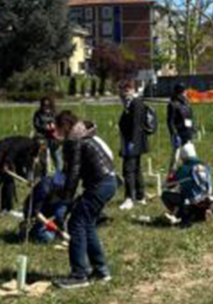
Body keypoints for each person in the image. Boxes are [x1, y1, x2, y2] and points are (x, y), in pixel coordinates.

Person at [53, 110, 118, 289]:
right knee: (87, 224)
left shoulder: (75, 141)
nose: (55, 131)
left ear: (65, 126)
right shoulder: (84, 135)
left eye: (57, 127)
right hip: (109, 182)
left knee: (76, 223)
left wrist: (66, 201)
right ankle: (101, 270)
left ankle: (79, 274)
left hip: (100, 185)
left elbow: (73, 173)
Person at [161, 143, 213, 226]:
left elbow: (169, 185)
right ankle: (204, 211)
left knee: (165, 195)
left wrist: (172, 172)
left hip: (191, 200)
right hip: (208, 196)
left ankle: (179, 214)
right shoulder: (205, 165)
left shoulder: (184, 169)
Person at [0, 135, 43, 217]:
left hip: (2, 155)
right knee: (8, 181)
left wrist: (25, 179)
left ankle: (6, 208)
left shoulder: (28, 149)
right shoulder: (27, 142)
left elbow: (19, 165)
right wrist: (6, 162)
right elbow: (13, 149)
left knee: (8, 181)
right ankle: (7, 209)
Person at [118, 79, 150, 210]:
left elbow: (136, 126)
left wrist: (132, 143)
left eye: (126, 90)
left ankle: (129, 198)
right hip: (132, 142)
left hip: (133, 143)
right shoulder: (129, 104)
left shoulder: (136, 104)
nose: (124, 94)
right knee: (136, 169)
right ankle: (140, 196)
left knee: (128, 170)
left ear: (132, 90)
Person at [166, 83, 195, 171]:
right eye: (184, 91)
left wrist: (193, 129)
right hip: (178, 133)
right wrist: (174, 134)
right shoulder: (173, 104)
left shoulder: (187, 103)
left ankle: (188, 173)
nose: (185, 93)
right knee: (176, 156)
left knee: (190, 154)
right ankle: (171, 176)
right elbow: (170, 121)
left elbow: (191, 117)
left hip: (187, 132)